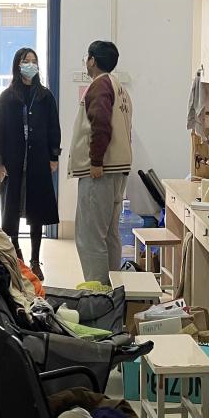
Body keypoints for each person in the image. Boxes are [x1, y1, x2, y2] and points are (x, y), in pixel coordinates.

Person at [0, 47, 61, 279]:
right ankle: (17, 254)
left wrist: (53, 156)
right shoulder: (8, 97)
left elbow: (54, 127)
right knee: (10, 211)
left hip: (38, 162)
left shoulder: (45, 96)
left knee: (36, 212)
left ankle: (35, 260)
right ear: (17, 65)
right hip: (13, 161)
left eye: (33, 61)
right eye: (25, 61)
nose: (30, 64)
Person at [69, 40, 133, 285]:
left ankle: (97, 293)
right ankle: (113, 289)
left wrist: (95, 161)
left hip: (100, 171)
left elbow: (101, 124)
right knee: (109, 235)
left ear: (92, 60)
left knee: (90, 236)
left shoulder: (99, 85)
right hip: (118, 170)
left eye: (87, 57)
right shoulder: (119, 88)